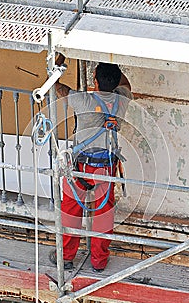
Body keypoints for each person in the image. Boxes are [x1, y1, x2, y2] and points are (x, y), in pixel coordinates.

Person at [49, 55, 132, 272]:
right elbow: (125, 83)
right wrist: (111, 69)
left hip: (81, 168)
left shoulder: (83, 100)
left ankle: (66, 257)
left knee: (71, 211)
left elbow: (56, 86)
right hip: (106, 167)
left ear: (94, 80)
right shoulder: (121, 99)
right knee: (104, 216)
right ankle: (99, 262)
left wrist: (58, 61)